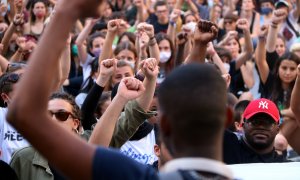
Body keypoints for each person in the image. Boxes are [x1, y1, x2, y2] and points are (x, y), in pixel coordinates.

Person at [6, 0, 234, 177]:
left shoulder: (137, 176)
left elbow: (23, 113)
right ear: (227, 118)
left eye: (61, 114)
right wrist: (199, 48)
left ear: (163, 123)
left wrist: (67, 11)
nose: (54, 119)